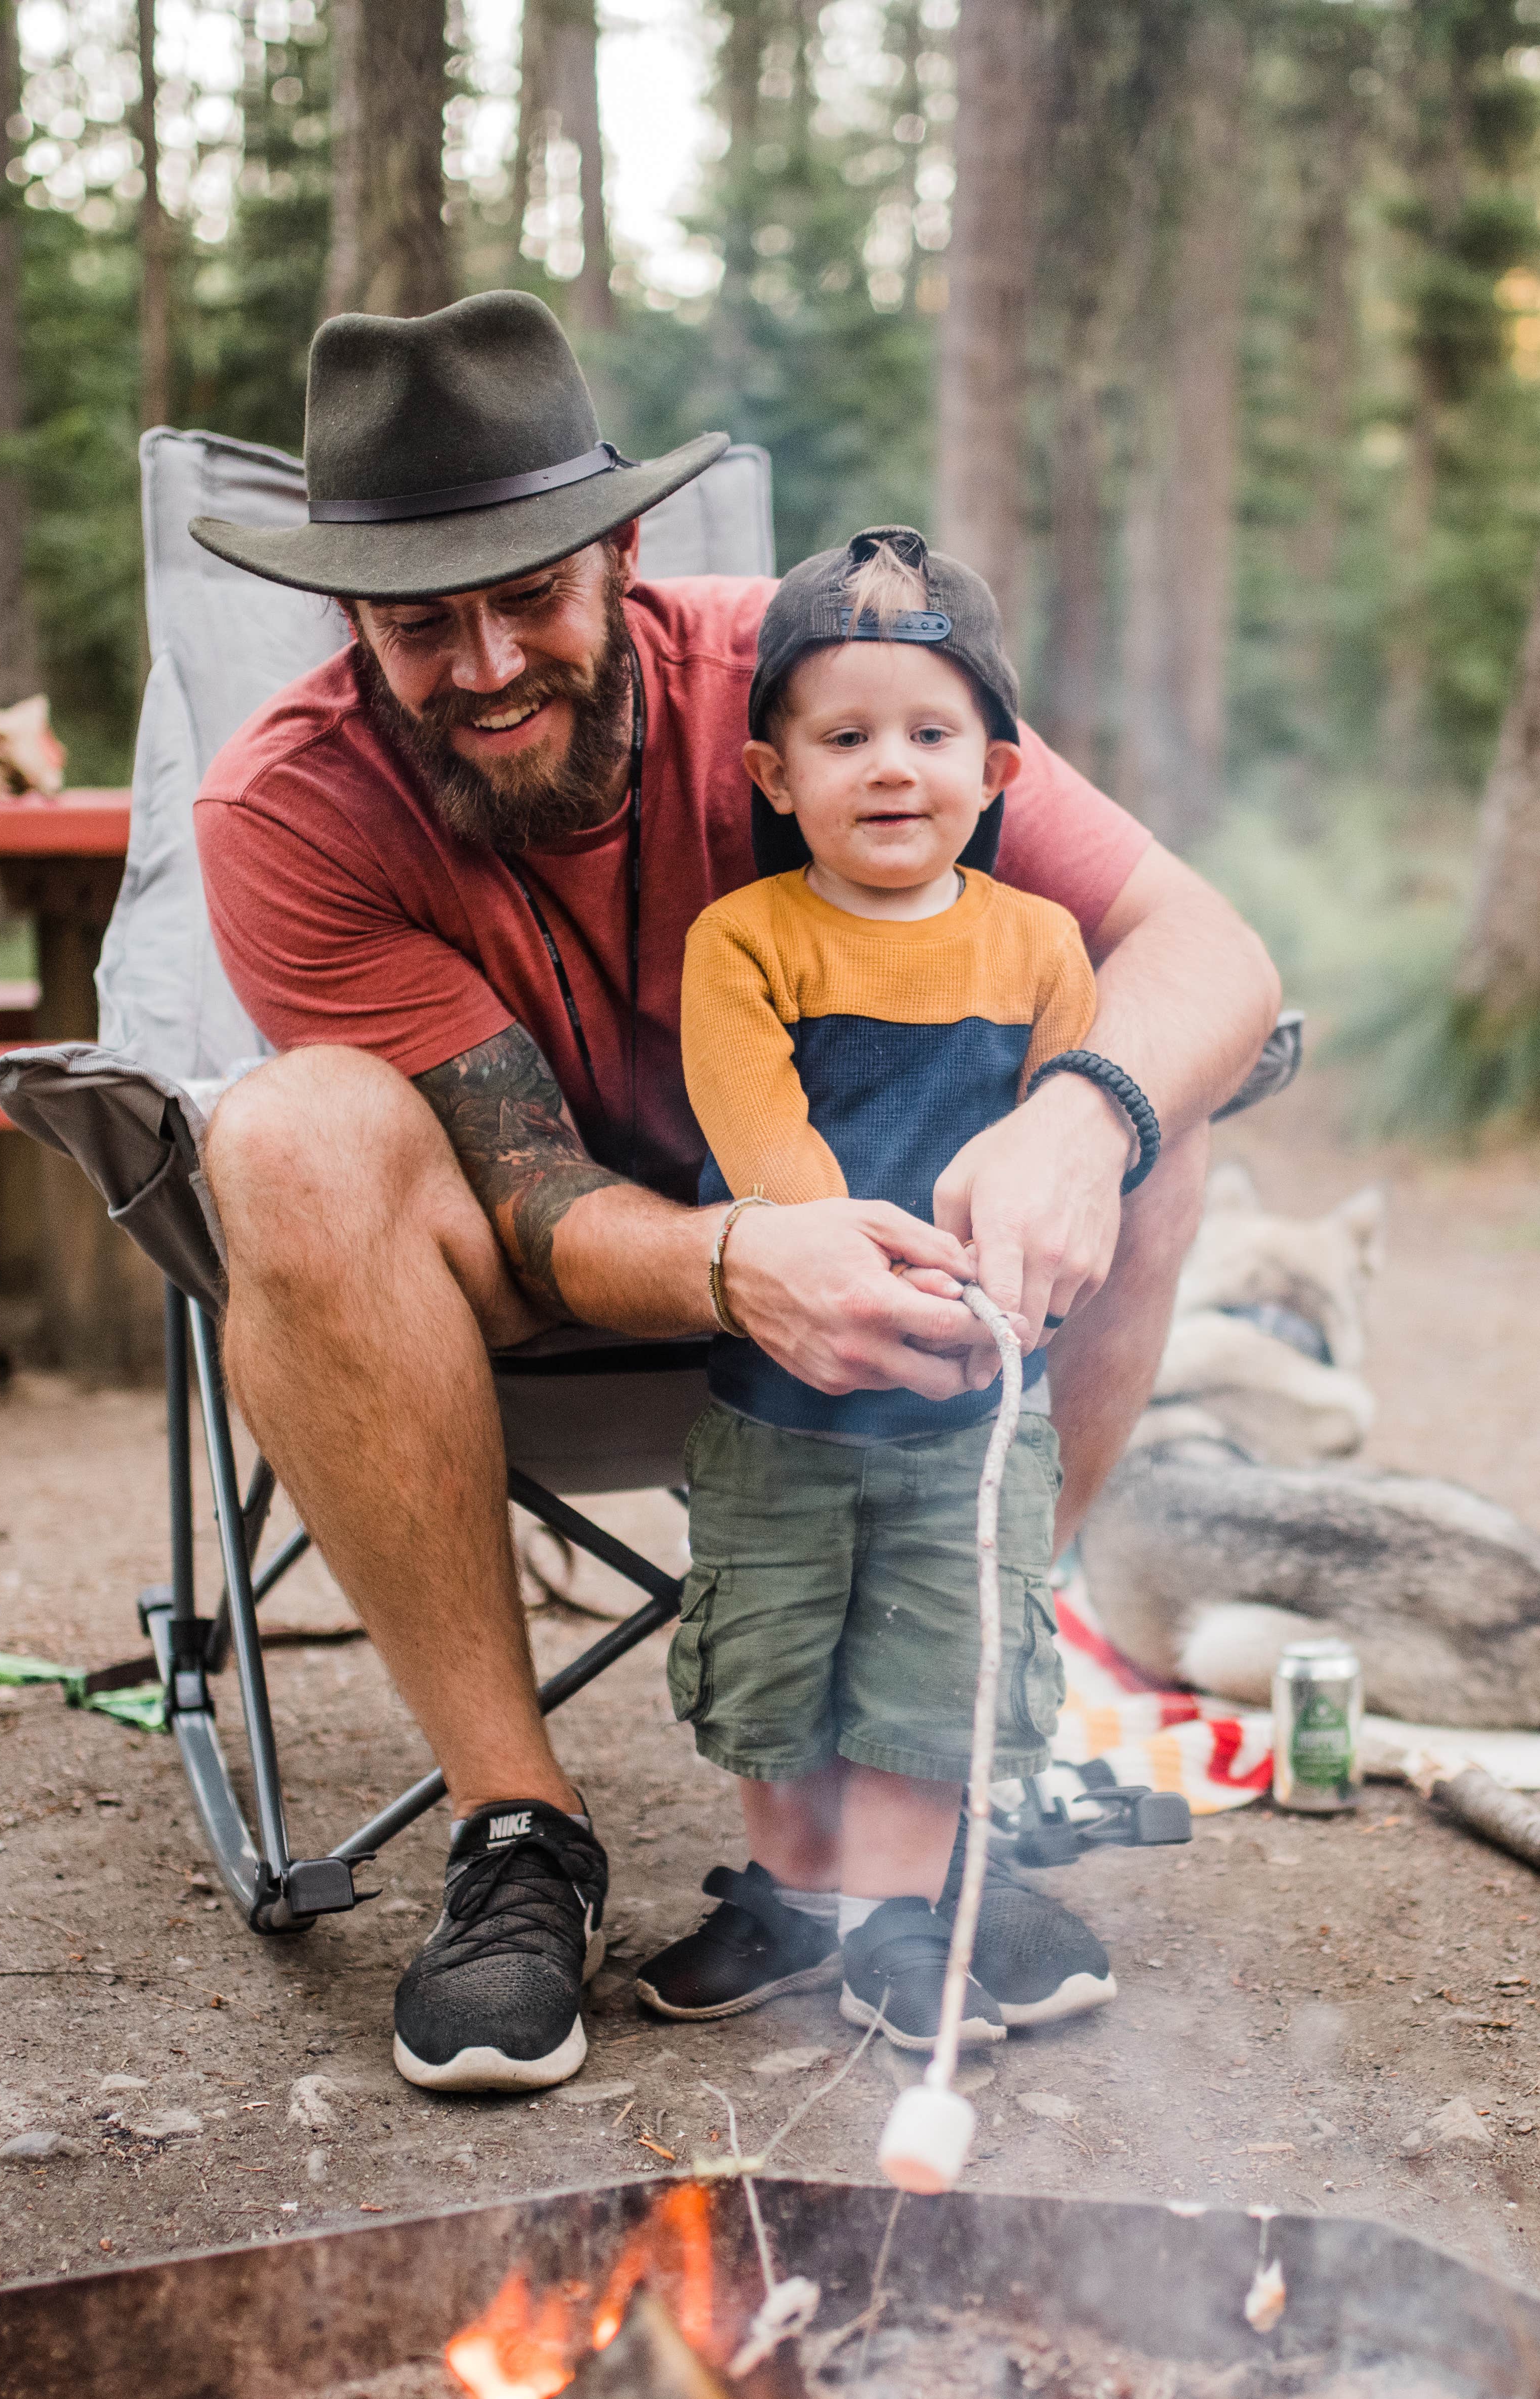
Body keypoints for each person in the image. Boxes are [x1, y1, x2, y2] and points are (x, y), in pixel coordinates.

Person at [189, 290, 1281, 2096]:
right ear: (345, 621)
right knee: (286, 1131)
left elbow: (1208, 946)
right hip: (532, 1263)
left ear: (622, 551)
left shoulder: (823, 694)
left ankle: (944, 1777)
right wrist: (731, 1252)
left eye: (528, 596)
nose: (482, 664)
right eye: (417, 623)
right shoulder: (293, 811)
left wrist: (1082, 1120)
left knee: (1160, 1113)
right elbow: (528, 1188)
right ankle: (516, 1836)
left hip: (896, 1259)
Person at [638, 525, 1115, 2052]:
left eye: (930, 733)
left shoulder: (1043, 945)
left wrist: (996, 1278)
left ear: (999, 766)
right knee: (772, 1645)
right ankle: (791, 1895)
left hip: (971, 1401)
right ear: (776, 779)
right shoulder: (747, 939)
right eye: (844, 738)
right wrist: (853, 1252)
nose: (891, 767)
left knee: (931, 1648)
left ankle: (903, 1924)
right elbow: (759, 1140)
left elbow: (1057, 1138)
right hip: (782, 1397)